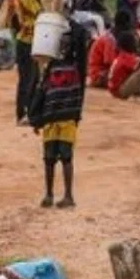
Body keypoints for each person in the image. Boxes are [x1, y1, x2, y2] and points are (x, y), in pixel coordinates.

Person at [31, 25, 86, 209]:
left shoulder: (76, 66)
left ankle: (68, 195)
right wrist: (36, 117)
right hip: (50, 117)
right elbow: (42, 91)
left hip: (67, 117)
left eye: (68, 46)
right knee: (48, 158)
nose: (64, 48)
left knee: (66, 156)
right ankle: (49, 194)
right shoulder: (51, 67)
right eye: (61, 45)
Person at [9, 0, 43, 124]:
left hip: (22, 40)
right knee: (30, 78)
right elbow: (40, 13)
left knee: (28, 78)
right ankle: (25, 112)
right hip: (29, 41)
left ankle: (24, 112)